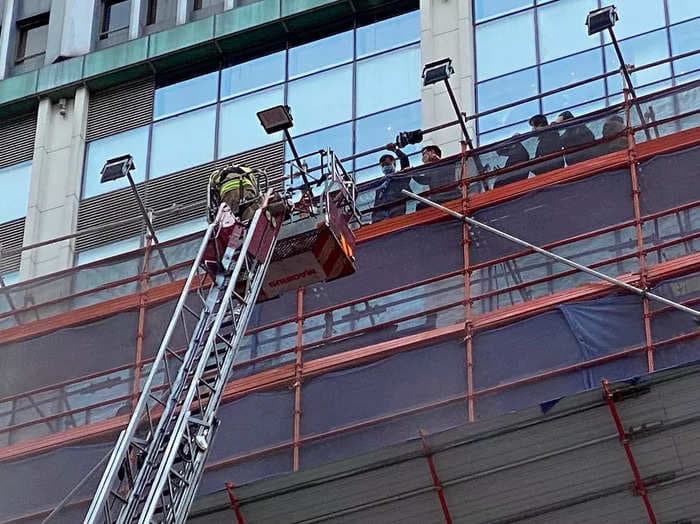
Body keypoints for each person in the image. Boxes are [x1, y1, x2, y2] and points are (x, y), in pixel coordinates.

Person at [371, 143, 411, 222]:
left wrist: (395, 150)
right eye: (382, 166)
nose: (385, 167)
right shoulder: (380, 183)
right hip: (380, 215)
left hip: (396, 210)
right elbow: (377, 202)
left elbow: (404, 159)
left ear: (394, 164)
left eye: (387, 164)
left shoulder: (400, 177)